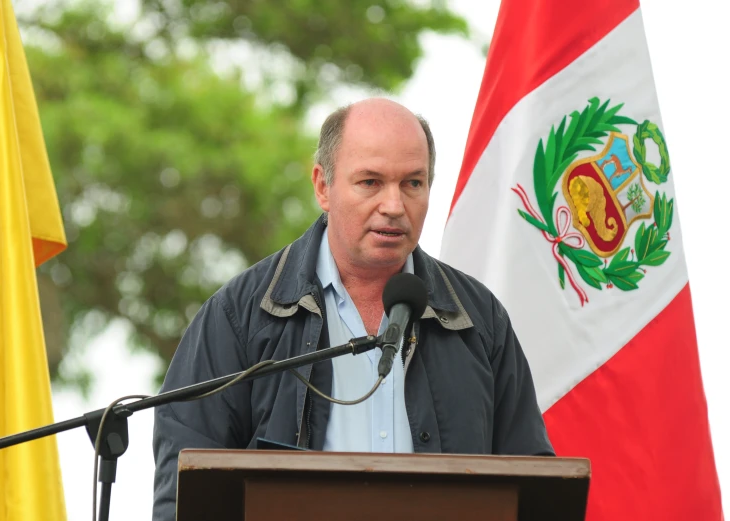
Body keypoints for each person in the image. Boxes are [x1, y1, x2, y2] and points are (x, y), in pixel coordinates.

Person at [152, 98, 554, 520]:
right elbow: (184, 493)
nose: (395, 206)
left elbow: (532, 485)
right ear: (323, 187)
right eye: (370, 182)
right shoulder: (240, 315)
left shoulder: (478, 319)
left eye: (413, 183)